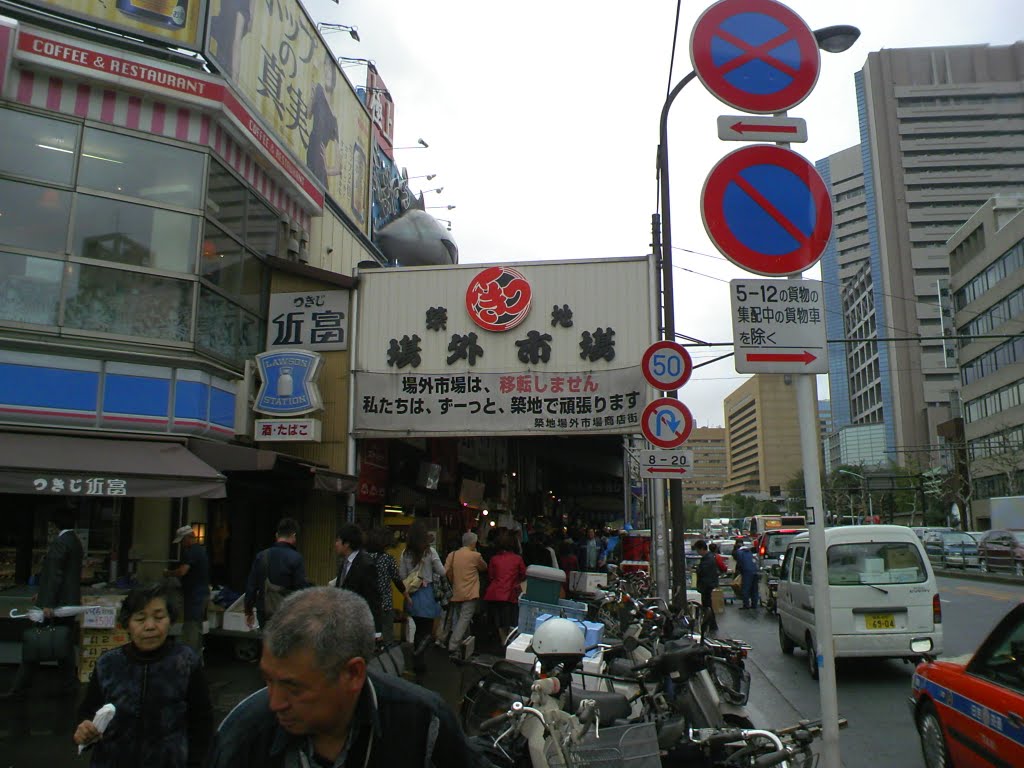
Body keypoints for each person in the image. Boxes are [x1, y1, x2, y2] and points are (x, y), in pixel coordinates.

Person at [205, 588, 485, 767]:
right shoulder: (244, 732)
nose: (275, 702)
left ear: (353, 674)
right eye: (267, 679)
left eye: (293, 687)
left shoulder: (422, 721)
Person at [73, 582, 212, 767]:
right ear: (127, 624)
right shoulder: (108, 664)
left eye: (159, 617)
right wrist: (84, 729)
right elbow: (88, 712)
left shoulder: (186, 662)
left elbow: (202, 722)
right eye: (140, 619)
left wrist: (195, 761)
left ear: (170, 620)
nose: (150, 626)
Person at [5, 507, 83, 700]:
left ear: (55, 524)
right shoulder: (75, 541)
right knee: (62, 642)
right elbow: (63, 576)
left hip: (55, 605)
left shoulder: (60, 542)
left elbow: (55, 574)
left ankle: (19, 688)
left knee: (36, 642)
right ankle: (69, 685)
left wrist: (46, 601)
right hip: (68, 601)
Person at [398, 522, 445, 684]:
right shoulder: (430, 552)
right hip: (428, 594)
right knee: (427, 630)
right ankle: (418, 656)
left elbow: (402, 575)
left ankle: (417, 658)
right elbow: (442, 571)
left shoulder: (405, 553)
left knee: (419, 628)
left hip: (412, 594)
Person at [245, 518, 308, 629]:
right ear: (293, 536)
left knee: (266, 642)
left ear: (276, 535)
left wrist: (248, 611)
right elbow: (301, 590)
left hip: (264, 612)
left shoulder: (261, 556)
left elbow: (251, 588)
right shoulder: (296, 558)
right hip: (287, 614)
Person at [164, 525, 209, 659]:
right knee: (198, 625)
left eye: (182, 541)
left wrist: (168, 573)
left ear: (188, 538)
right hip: (202, 593)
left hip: (194, 595)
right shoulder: (201, 550)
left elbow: (183, 571)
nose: (182, 545)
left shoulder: (191, 552)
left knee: (191, 626)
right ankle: (197, 655)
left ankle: (188, 657)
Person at [444, 532, 487, 655]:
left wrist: (453, 579)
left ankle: (466, 644)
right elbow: (484, 567)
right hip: (470, 593)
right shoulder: (475, 556)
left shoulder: (452, 555)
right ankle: (453, 644)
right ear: (473, 543)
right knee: (464, 619)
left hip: (456, 591)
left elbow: (445, 571)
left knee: (460, 620)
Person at [334, 524, 381, 631]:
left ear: (346, 544)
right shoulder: (344, 563)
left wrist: (377, 630)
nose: (335, 544)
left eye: (338, 541)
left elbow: (373, 599)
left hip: (359, 623)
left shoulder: (366, 564)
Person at [482, 531, 526, 644]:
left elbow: (491, 576)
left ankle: (502, 640)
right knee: (511, 620)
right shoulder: (517, 559)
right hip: (510, 594)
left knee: (499, 620)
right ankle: (509, 642)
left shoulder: (494, 559)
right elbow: (523, 574)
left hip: (494, 593)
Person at [365, 527, 405, 642]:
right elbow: (396, 579)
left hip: (368, 603)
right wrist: (405, 593)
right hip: (385, 604)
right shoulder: (388, 559)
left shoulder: (364, 558)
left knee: (369, 636)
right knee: (386, 636)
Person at [693, 540, 720, 633]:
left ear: (701, 549)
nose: (697, 552)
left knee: (707, 606)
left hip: (706, 585)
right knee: (707, 605)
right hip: (708, 584)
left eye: (697, 550)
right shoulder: (708, 557)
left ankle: (712, 624)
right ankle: (711, 624)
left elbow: (703, 571)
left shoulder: (707, 559)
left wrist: (697, 569)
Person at [734, 542, 760, 610]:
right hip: (755, 571)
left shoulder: (739, 552)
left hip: (747, 571)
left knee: (745, 588)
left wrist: (738, 571)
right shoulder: (749, 552)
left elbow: (739, 563)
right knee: (754, 588)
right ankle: (754, 604)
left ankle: (746, 605)